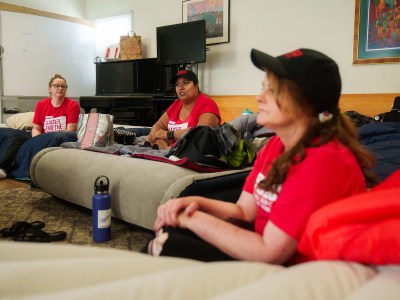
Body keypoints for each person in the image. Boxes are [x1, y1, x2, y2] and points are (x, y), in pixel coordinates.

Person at [145, 48, 378, 264]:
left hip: (297, 268)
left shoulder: (324, 160)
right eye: (262, 87)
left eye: (272, 91)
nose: (259, 98)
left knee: (168, 243)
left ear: (306, 103)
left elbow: (269, 252)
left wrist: (189, 218)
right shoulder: (276, 145)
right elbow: (244, 212)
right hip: (263, 246)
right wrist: (192, 204)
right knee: (171, 234)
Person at [0, 74, 80, 179]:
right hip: (40, 136)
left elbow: (70, 130)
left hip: (57, 137)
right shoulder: (41, 104)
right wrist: (36, 140)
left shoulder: (72, 105)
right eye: (56, 85)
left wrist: (40, 139)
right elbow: (36, 128)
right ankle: (2, 168)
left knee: (57, 136)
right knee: (9, 135)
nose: (60, 88)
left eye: (63, 86)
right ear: (50, 88)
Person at [146, 70, 221, 149]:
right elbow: (159, 125)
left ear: (196, 85)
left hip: (193, 153)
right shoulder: (176, 104)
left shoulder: (208, 104)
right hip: (171, 152)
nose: (180, 88)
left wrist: (168, 135)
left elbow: (201, 133)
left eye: (185, 83)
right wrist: (154, 134)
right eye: (177, 84)